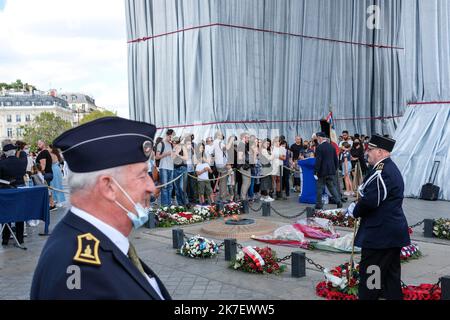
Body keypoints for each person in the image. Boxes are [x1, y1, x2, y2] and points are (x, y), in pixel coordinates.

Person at [30, 117, 171, 300]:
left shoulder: (93, 241)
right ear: (108, 187)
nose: (151, 187)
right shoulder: (79, 268)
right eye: (142, 175)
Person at [346, 134, 410, 300]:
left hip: (379, 236)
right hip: (389, 233)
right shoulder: (387, 168)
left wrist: (355, 209)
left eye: (371, 150)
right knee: (390, 279)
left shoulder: (382, 172)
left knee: (371, 280)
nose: (367, 153)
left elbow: (371, 201)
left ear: (381, 152)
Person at [0, 144, 27, 246]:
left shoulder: (2, 163)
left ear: (6, 153)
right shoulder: (21, 162)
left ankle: (5, 238)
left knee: (6, 213)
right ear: (14, 151)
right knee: (20, 213)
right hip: (20, 188)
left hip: (6, 190)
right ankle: (20, 238)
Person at [314, 132, 342, 210]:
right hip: (331, 171)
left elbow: (318, 161)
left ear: (320, 138)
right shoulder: (332, 147)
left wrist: (315, 171)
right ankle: (338, 201)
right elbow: (335, 159)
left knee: (319, 188)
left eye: (318, 138)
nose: (317, 140)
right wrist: (335, 168)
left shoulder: (319, 147)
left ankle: (319, 204)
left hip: (322, 171)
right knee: (332, 187)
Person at [155, 129, 175, 206]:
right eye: (170, 136)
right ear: (167, 135)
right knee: (164, 187)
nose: (171, 138)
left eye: (172, 137)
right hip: (163, 167)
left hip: (171, 167)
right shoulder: (161, 144)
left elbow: (173, 157)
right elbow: (157, 157)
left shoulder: (171, 144)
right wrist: (166, 153)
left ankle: (169, 204)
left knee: (170, 187)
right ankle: (165, 206)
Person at [36, 140, 55, 209]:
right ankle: (52, 205)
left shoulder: (43, 153)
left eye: (40, 143)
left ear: (44, 144)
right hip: (49, 173)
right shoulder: (46, 152)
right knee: (47, 190)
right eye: (38, 144)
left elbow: (43, 165)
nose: (38, 145)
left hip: (45, 174)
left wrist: (40, 174)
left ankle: (47, 206)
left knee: (45, 191)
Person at [171, 136, 188, 206]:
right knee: (177, 188)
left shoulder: (183, 147)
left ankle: (186, 203)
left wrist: (178, 155)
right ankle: (180, 205)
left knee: (182, 187)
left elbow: (186, 158)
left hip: (182, 168)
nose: (173, 144)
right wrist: (175, 153)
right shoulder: (173, 149)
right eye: (172, 142)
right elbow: (171, 159)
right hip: (175, 169)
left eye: (174, 142)